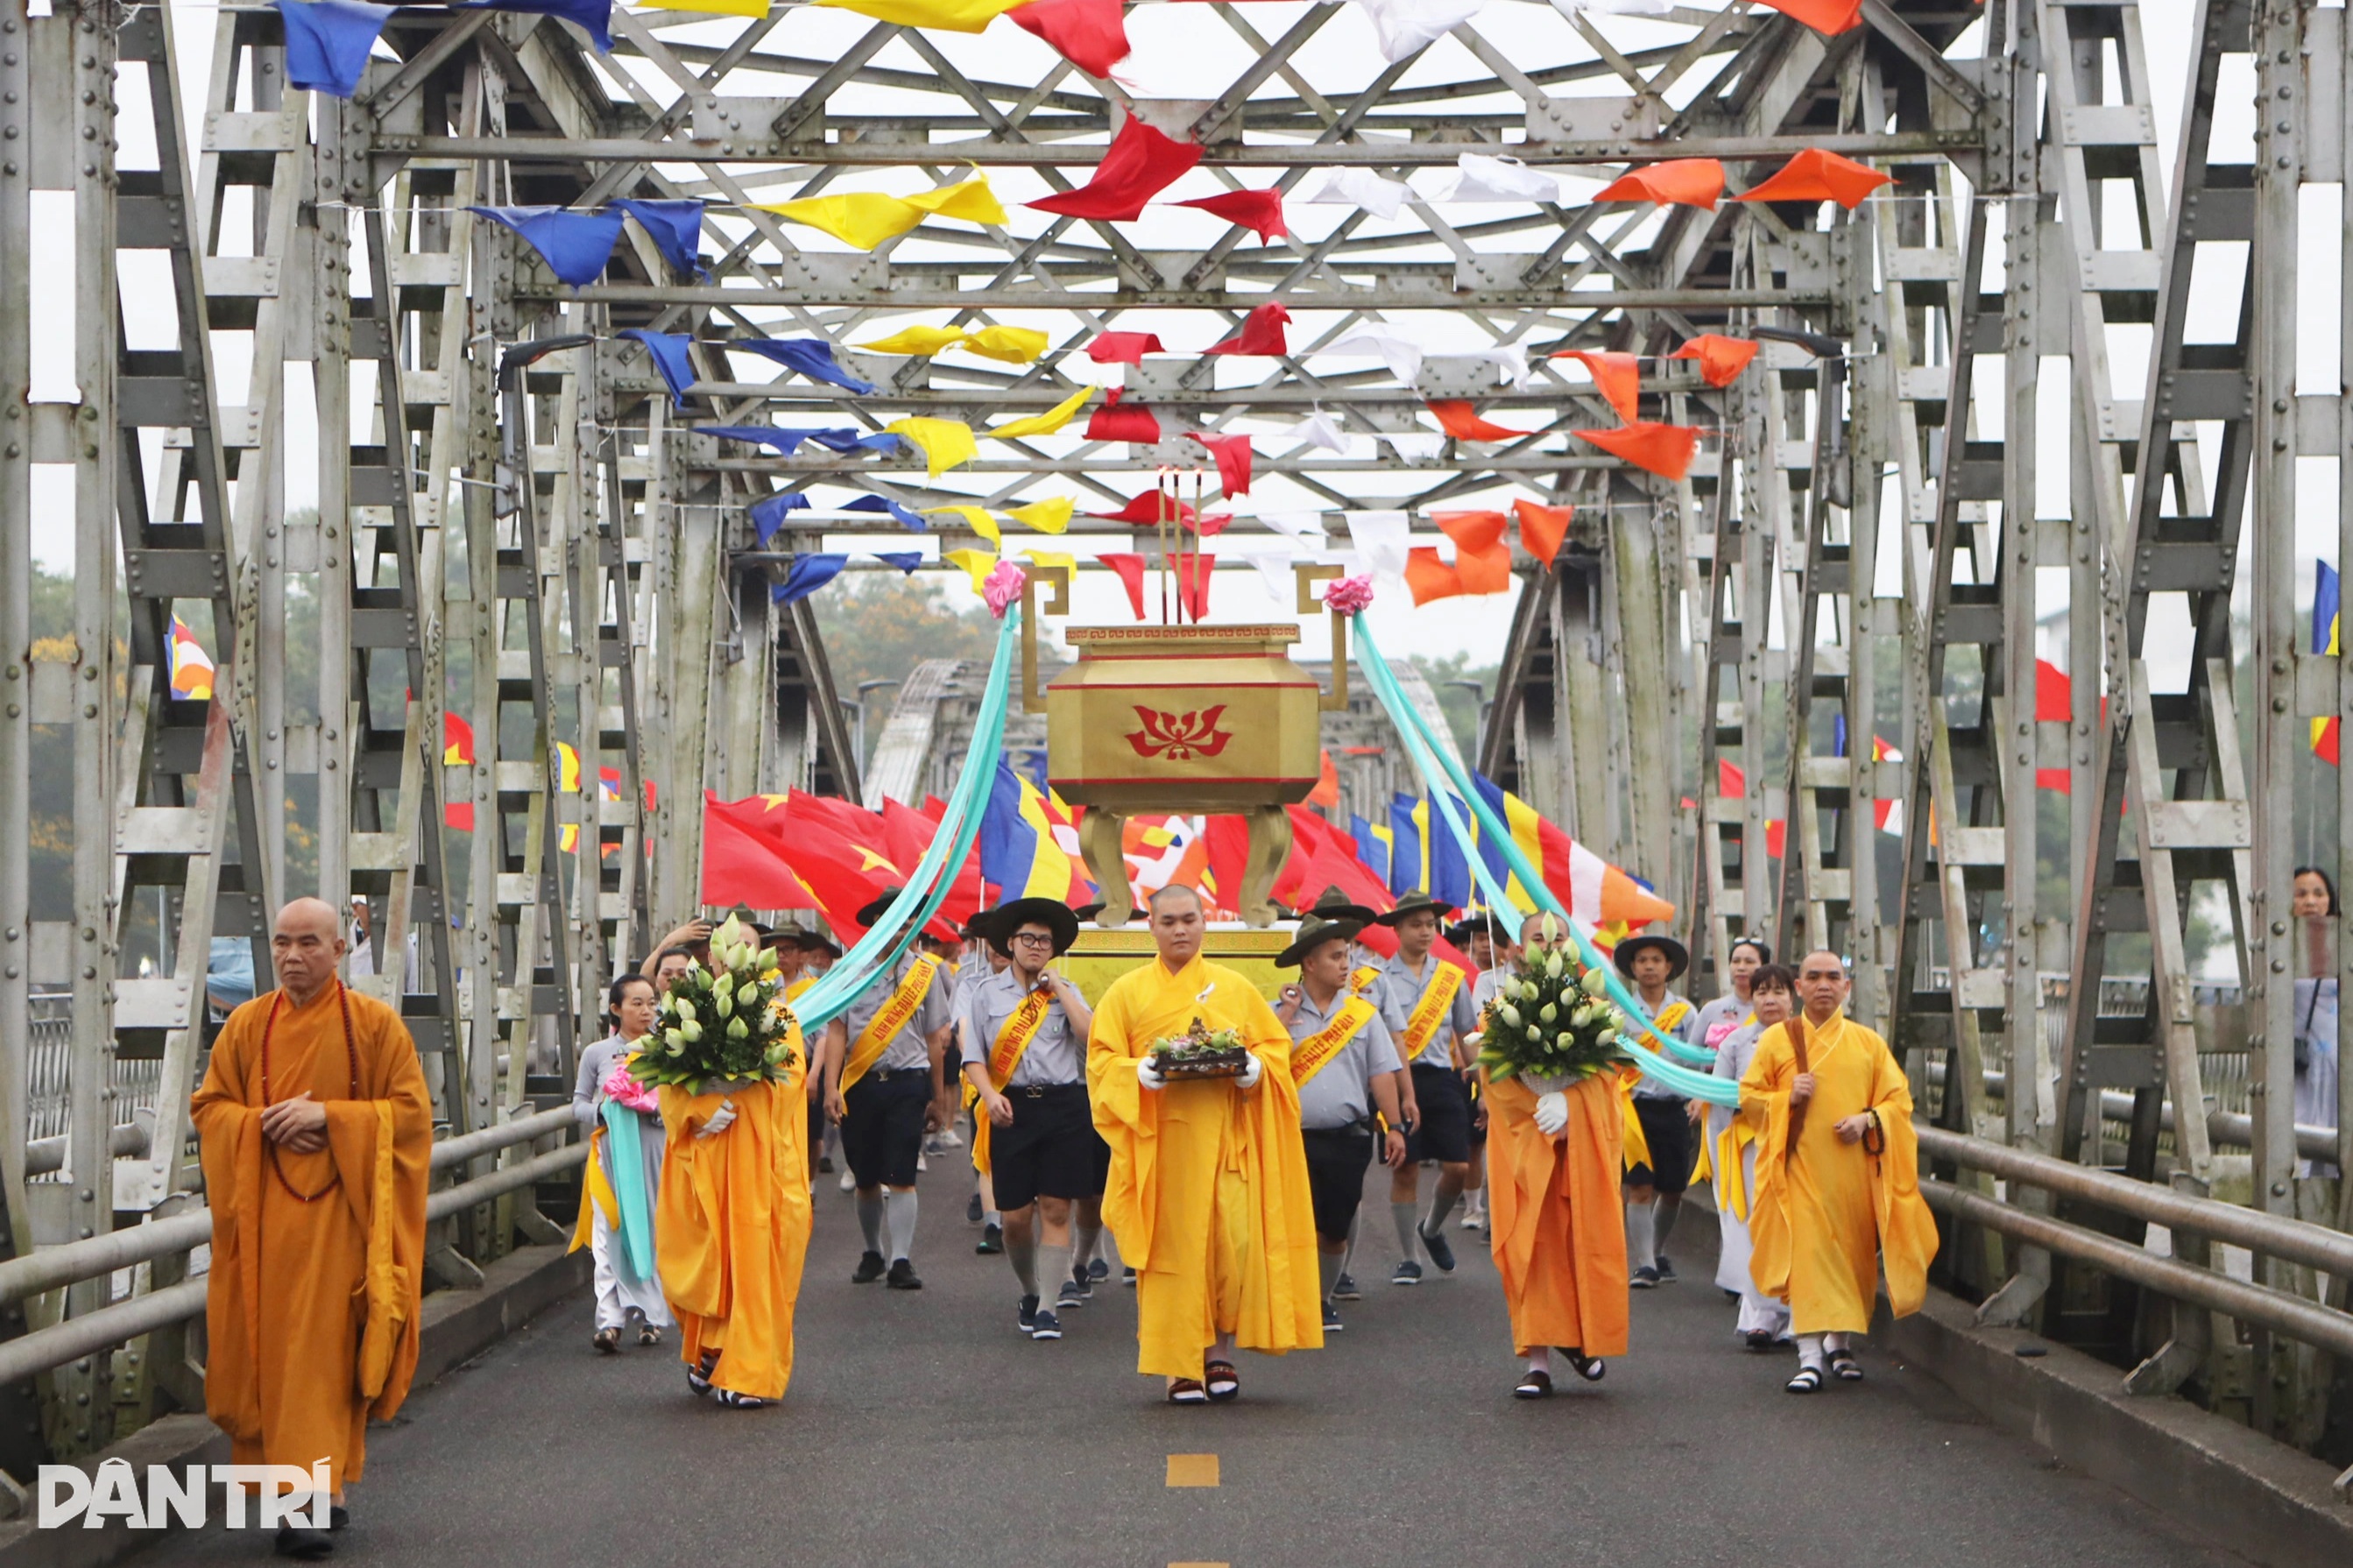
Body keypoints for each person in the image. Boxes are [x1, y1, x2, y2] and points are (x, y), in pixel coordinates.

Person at [192, 898, 432, 1559]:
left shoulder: (376, 1027)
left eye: (308, 944)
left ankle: (313, 1500)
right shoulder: (244, 1025)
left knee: (325, 1361)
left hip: (342, 1224)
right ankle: (313, 1498)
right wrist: (259, 1124)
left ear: (341, 948)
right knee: (277, 1361)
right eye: (281, 944)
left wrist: (332, 1118)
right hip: (266, 1228)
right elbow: (210, 1107)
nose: (292, 957)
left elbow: (411, 1117)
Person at [1088, 885, 1322, 1402]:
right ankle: (1180, 1366)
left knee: (1229, 1248)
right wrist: (1136, 1073)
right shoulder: (1125, 993)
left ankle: (1218, 1354)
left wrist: (1257, 1070)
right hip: (1161, 1148)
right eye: (1168, 921)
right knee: (1173, 1253)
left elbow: (1272, 1048)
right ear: (1151, 926)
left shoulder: (1234, 988)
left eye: (1189, 919)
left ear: (1203, 923)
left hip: (1227, 1143)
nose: (1180, 930)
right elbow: (1100, 1063)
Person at [1740, 950, 1938, 1393]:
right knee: (1808, 1260)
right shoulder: (1777, 1040)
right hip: (1799, 1172)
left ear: (1847, 988)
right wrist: (1786, 1097)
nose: (1824, 984)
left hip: (1853, 1177)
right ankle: (1809, 1357)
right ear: (1799, 987)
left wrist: (1867, 1120)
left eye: (1833, 977)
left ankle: (1840, 1344)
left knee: (1852, 1262)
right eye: (1814, 977)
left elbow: (1898, 1102)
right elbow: (1750, 1098)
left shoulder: (1868, 1043)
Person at [1485, 911, 1628, 1399]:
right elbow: (1496, 1083)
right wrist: (1540, 1107)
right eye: (1538, 938)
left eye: (1559, 937)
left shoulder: (1592, 1007)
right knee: (1534, 1249)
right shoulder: (1502, 1008)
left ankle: (1583, 1339)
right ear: (1517, 950)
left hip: (1579, 1152)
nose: (1548, 944)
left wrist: (1571, 1104)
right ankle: (1538, 1362)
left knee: (1579, 1245)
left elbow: (1608, 1080)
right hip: (1527, 1150)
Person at [655, 1005, 814, 1410]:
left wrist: (737, 1092)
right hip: (708, 1160)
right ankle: (713, 1348)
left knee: (755, 1264)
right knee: (709, 1260)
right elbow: (671, 1090)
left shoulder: (779, 1018)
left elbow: (789, 1080)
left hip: (760, 1165)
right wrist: (702, 1110)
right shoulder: (689, 1014)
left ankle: (751, 1370)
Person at [961, 899, 1103, 1340]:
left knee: (1057, 1208)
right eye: (1029, 939)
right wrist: (989, 1096)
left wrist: (1058, 988)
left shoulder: (1066, 990)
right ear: (1011, 943)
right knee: (1016, 1218)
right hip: (1011, 1108)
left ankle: (1047, 1308)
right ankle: (1029, 1288)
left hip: (1063, 1106)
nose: (1037, 947)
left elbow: (1091, 1035)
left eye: (1045, 941)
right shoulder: (985, 994)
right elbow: (973, 1057)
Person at [1275, 917, 1407, 1333]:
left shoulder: (1363, 1015)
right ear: (1309, 964)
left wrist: (1397, 1126)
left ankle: (1322, 1298)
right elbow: (1262, 1061)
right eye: (1336, 957)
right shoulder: (1278, 1013)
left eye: (1347, 955)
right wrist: (1287, 1013)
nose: (1346, 964)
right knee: (1294, 1226)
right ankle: (1294, 1302)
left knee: (1335, 1228)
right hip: (1291, 1139)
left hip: (1348, 1138)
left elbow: (1381, 1074)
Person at [818, 890, 956, 1289]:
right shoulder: (851, 970)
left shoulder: (925, 974)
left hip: (907, 1083)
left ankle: (901, 1259)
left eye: (912, 921)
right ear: (878, 923)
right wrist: (832, 1087)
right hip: (861, 1082)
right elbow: (837, 1031)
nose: (905, 929)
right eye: (896, 920)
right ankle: (873, 1251)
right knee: (864, 1175)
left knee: (902, 1173)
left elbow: (934, 1038)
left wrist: (937, 1097)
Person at [1371, 890, 1479, 1285]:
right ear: (1397, 929)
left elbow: (1467, 1032)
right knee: (1407, 1169)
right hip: (1397, 1079)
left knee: (1458, 1165)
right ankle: (1408, 1257)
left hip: (1441, 1079)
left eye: (1430, 925)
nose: (1424, 932)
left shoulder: (1450, 977)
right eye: (1415, 925)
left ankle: (1431, 1228)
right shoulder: (1379, 977)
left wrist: (1482, 1089)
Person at [570, 975, 674, 1352]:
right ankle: (609, 1320)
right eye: (636, 1003)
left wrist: (656, 1108)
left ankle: (651, 1317)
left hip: (655, 1150)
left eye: (651, 1003)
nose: (646, 1011)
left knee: (654, 1228)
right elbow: (578, 1102)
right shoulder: (598, 1053)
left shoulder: (670, 1049)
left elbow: (684, 1101)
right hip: (610, 1156)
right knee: (608, 1233)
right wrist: (605, 1112)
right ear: (616, 1009)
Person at [1706, 964, 1795, 1349]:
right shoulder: (1736, 1043)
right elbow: (1720, 1099)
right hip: (1751, 1147)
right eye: (1761, 992)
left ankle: (1796, 1316)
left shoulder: (1808, 1040)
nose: (1769, 999)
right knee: (1754, 1226)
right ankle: (1759, 1314)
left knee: (1794, 1227)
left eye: (1778, 991)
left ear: (1794, 997)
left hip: (1796, 1146)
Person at [1614, 932, 1698, 1287]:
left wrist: (1699, 1095)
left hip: (1674, 1108)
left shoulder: (1686, 1012)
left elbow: (1697, 1059)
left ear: (1669, 968)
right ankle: (1645, 1263)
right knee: (1639, 1187)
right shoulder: (1621, 1010)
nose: (1649, 966)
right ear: (1633, 968)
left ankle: (1658, 1250)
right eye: (1642, 960)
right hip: (1633, 1110)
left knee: (1673, 1188)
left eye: (1656, 960)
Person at [1454, 913, 1510, 1235]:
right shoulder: (1488, 982)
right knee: (1491, 1146)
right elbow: (1478, 1027)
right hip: (1495, 1070)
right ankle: (1487, 1211)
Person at [2291, 866, 2342, 1179]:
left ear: (2330, 901)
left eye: (2318, 893)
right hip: (2299, 1067)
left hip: (2338, 1065)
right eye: (2301, 894)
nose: (2311, 901)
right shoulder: (2277, 946)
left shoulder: (2343, 946)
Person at [1692, 936, 1769, 1055]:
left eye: (1749, 962)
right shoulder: (1711, 1009)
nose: (1741, 967)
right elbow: (1691, 1056)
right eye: (1736, 961)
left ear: (1764, 966)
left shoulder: (1771, 1009)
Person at [642, 920, 713, 982]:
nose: (699, 950)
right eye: (694, 946)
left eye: (704, 945)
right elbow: (645, 980)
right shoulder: (681, 970)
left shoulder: (721, 970)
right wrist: (670, 941)